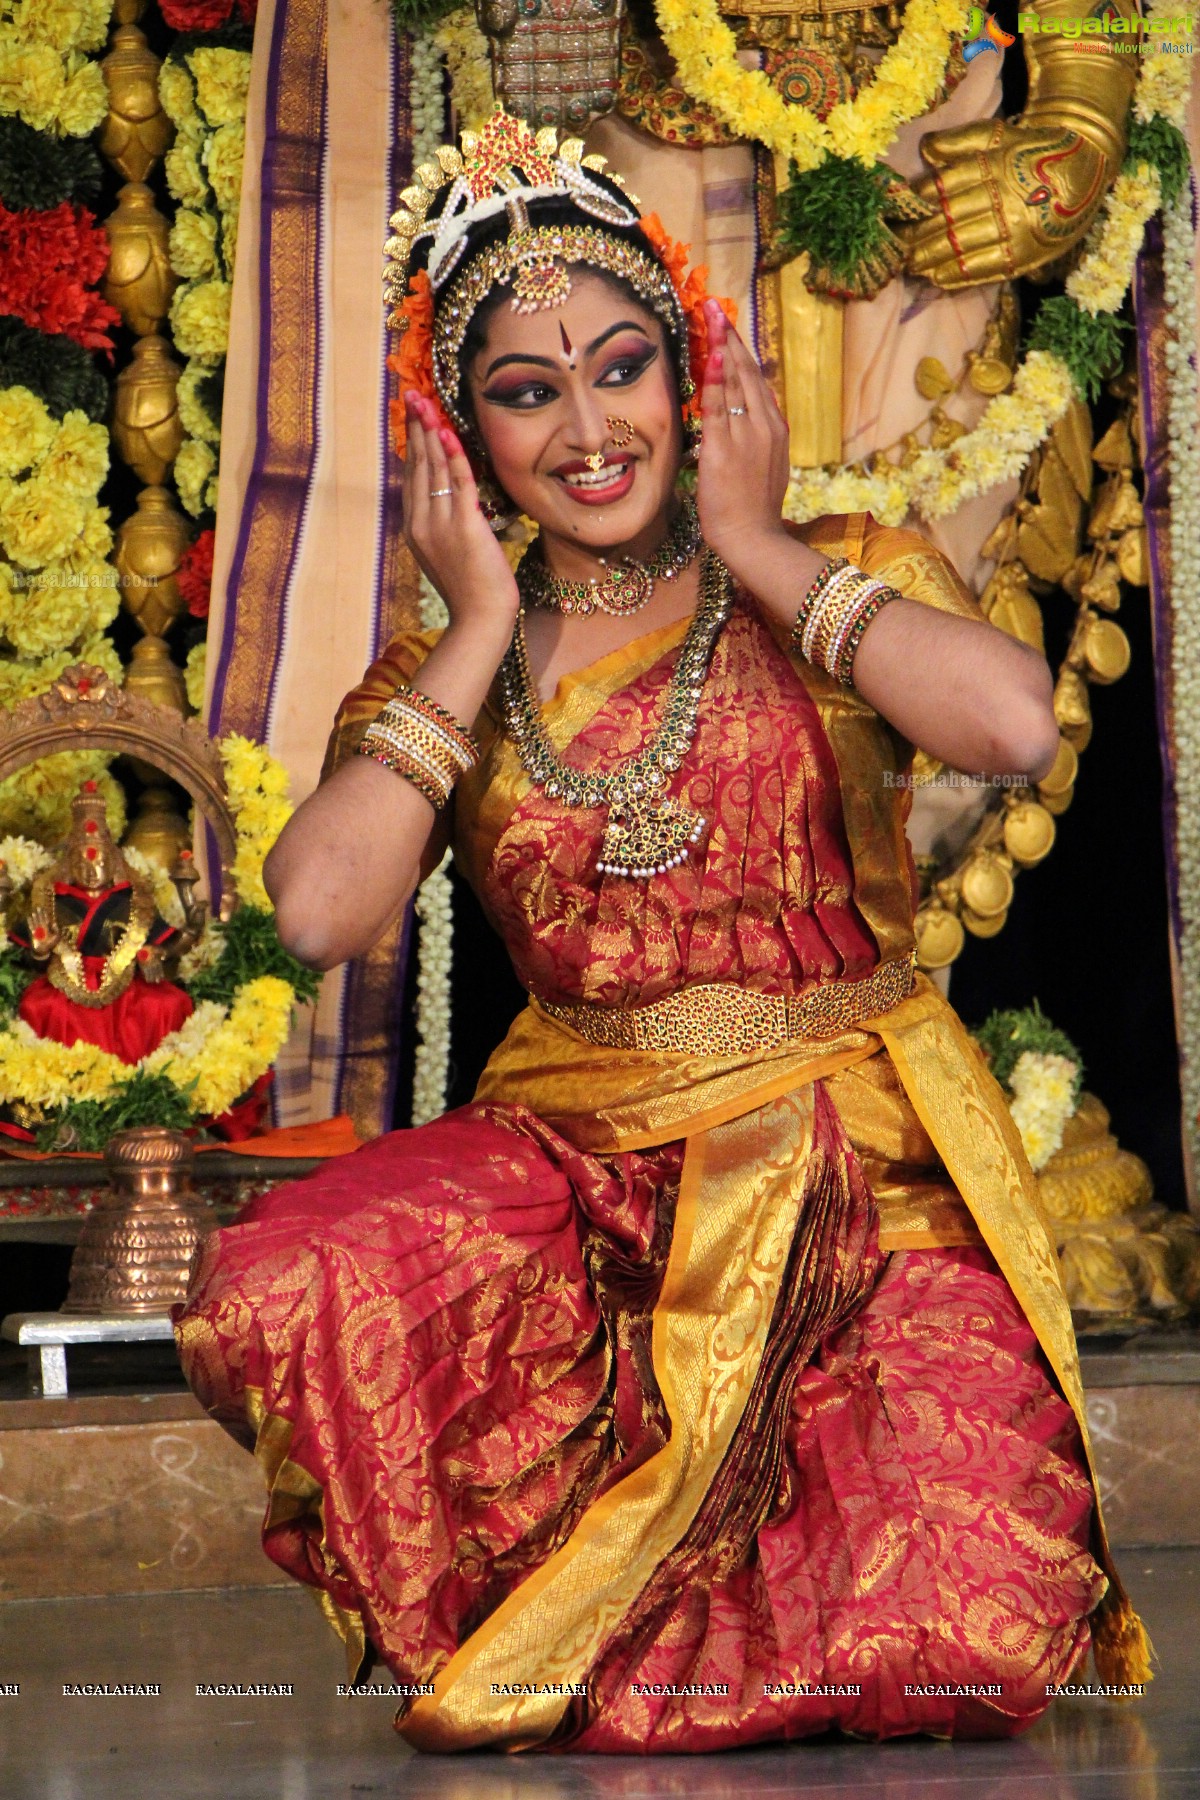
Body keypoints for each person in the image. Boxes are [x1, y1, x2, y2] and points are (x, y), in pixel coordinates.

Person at [173, 111, 1149, 1754]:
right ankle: (597, 1599)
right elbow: (322, 909)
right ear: (462, 436)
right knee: (284, 1287)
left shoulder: (828, 569)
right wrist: (480, 622)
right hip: (580, 1173)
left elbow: (1010, 728)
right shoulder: (448, 676)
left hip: (859, 1169)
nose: (587, 428)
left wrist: (763, 544)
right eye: (527, 391)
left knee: (960, 1616)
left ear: (694, 381)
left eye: (622, 368)